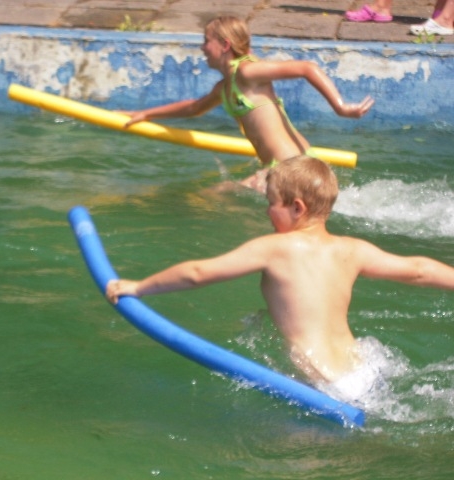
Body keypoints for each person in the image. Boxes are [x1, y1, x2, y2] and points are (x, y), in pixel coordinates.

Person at [106, 155, 454, 400]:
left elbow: (198, 273)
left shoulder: (274, 248)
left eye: (271, 202)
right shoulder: (353, 249)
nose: (266, 210)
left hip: (322, 382)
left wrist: (139, 286)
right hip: (365, 372)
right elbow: (419, 270)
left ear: (297, 207)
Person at [118, 16, 374, 193]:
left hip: (292, 168)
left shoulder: (248, 72)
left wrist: (340, 107)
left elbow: (307, 68)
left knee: (211, 198)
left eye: (206, 40)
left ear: (225, 45)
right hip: (285, 169)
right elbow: (194, 107)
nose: (202, 47)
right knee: (217, 196)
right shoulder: (225, 87)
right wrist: (145, 113)